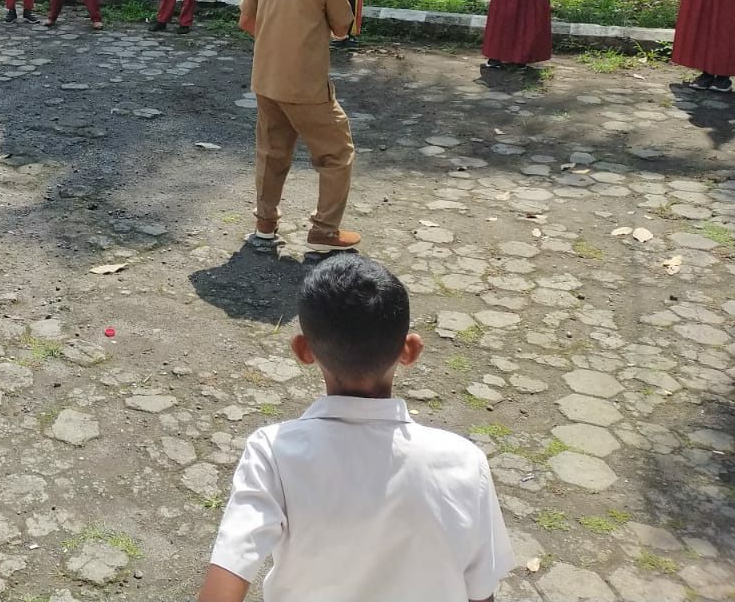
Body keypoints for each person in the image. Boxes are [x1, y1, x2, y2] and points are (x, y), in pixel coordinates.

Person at [197, 255, 514, 602]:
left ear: (303, 350)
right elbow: (481, 591)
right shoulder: (464, 460)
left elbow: (224, 582)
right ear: (410, 350)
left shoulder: (273, 453)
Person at [238, 0, 359, 253]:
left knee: (271, 152)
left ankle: (265, 225)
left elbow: (246, 21)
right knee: (337, 154)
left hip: (267, 79)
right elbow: (342, 29)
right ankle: (324, 230)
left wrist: (278, 43)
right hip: (306, 86)